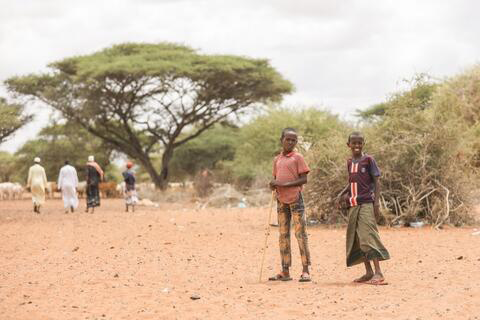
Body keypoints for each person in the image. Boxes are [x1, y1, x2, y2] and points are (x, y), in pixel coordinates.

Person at [337, 131, 390, 285]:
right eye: (354, 143)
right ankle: (368, 272)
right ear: (348, 145)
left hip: (366, 202)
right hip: (352, 203)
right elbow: (352, 182)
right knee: (357, 238)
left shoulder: (368, 160)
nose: (357, 146)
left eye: (360, 143)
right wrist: (341, 194)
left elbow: (377, 182)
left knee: (368, 236)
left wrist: (376, 203)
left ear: (363, 144)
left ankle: (379, 273)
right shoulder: (349, 162)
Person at [268, 128, 312, 282]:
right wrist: (273, 184)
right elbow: (275, 179)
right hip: (281, 200)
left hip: (296, 199)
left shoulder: (298, 157)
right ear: (282, 140)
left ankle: (305, 270)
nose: (291, 142)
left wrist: (285, 184)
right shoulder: (277, 159)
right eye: (288, 139)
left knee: (301, 234)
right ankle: (285, 270)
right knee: (283, 235)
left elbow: (304, 179)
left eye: (294, 140)